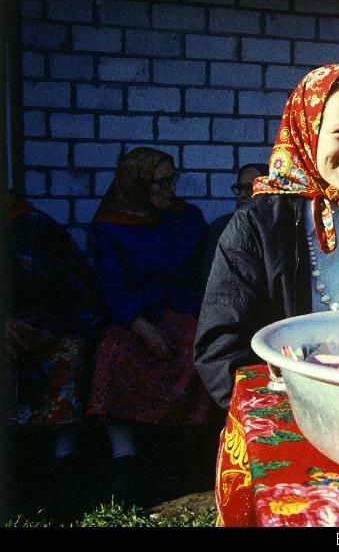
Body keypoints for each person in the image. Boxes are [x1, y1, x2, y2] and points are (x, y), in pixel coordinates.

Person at [194, 63, 339, 409]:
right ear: (306, 130)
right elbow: (221, 353)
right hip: (295, 414)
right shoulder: (259, 225)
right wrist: (285, 418)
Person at [88, 147, 210, 498]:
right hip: (134, 315)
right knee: (114, 351)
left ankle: (181, 455)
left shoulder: (187, 218)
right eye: (159, 182)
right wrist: (141, 325)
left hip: (184, 310)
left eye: (172, 180)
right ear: (137, 184)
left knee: (196, 351)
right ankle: (124, 455)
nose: (169, 189)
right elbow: (110, 285)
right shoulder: (111, 225)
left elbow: (203, 274)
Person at [4, 190, 103, 488]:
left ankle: (65, 454)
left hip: (40, 326)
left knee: (70, 350)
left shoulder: (33, 226)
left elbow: (74, 293)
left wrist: (48, 330)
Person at [202, 163, 267, 282]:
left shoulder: (281, 231)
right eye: (240, 188)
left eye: (250, 188)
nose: (242, 195)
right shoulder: (220, 229)